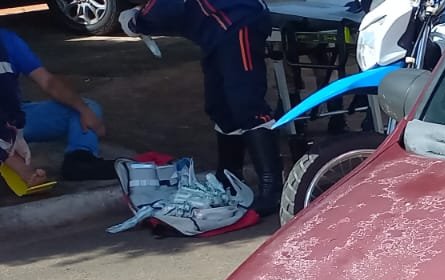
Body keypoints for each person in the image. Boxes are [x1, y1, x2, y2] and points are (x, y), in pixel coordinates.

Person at [119, 0, 282, 214]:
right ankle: (228, 178)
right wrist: (141, 20)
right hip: (218, 31)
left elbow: (167, 9)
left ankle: (272, 186)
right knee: (220, 106)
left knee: (246, 103)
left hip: (238, 21)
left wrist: (138, 21)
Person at [1, 26, 118, 188]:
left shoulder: (7, 40)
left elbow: (48, 82)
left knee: (87, 108)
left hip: (13, 117)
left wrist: (83, 109)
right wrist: (22, 169)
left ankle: (80, 159)